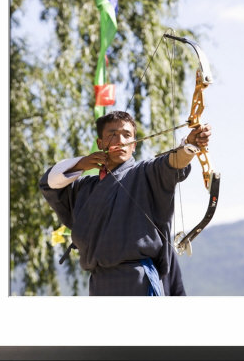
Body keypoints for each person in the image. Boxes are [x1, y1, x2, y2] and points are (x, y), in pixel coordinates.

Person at [39, 111, 211, 296]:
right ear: (100, 143)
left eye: (127, 135)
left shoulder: (146, 173)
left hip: (138, 279)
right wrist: (82, 163)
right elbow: (48, 183)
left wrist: (190, 146)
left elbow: (171, 164)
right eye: (112, 134)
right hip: (99, 282)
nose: (120, 140)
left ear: (134, 145)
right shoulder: (83, 188)